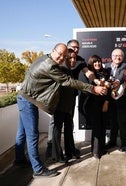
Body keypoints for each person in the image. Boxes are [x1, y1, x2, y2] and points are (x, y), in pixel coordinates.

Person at [14, 43, 107, 178]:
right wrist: (93, 89)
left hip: (25, 97)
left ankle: (19, 159)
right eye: (60, 55)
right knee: (33, 135)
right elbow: (68, 81)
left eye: (64, 56)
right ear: (53, 50)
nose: (62, 58)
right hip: (28, 100)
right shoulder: (50, 66)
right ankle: (38, 169)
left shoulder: (45, 57)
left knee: (22, 132)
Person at [46, 39, 95, 158]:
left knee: (69, 124)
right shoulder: (59, 64)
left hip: (71, 98)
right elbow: (68, 82)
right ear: (66, 51)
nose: (76, 50)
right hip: (58, 100)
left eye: (78, 48)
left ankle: (70, 150)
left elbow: (88, 73)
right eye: (73, 47)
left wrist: (96, 81)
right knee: (56, 125)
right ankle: (52, 150)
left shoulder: (80, 61)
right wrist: (91, 88)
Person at [51, 49, 81, 163]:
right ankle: (57, 156)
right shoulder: (61, 69)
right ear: (64, 58)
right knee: (57, 130)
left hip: (68, 105)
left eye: (74, 58)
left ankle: (70, 151)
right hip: (60, 105)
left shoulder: (69, 69)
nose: (73, 60)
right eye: (70, 58)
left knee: (69, 128)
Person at [78, 55, 109, 159]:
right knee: (96, 127)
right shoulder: (88, 74)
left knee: (103, 126)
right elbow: (85, 89)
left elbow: (108, 89)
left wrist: (106, 102)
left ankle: (102, 148)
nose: (97, 64)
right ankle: (95, 151)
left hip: (103, 104)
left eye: (99, 62)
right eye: (95, 62)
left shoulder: (105, 73)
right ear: (91, 63)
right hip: (92, 104)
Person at [105, 49, 126, 151]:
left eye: (119, 56)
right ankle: (112, 141)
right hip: (110, 99)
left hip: (121, 99)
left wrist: (117, 82)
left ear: (122, 57)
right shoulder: (107, 66)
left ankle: (124, 144)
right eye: (115, 55)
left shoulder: (125, 66)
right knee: (113, 122)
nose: (117, 57)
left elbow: (122, 76)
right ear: (111, 57)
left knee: (122, 122)